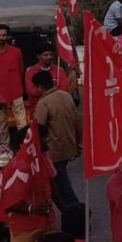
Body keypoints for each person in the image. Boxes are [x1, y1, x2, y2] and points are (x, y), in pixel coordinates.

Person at [31, 70, 80, 210]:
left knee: (61, 186)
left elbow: (38, 129)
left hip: (54, 150)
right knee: (62, 181)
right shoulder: (66, 95)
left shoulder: (43, 103)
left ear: (40, 87)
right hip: (69, 144)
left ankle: (75, 214)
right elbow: (77, 120)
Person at [0, 23, 26, 145]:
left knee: (22, 124)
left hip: (15, 92)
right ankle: (5, 148)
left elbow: (21, 71)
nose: (1, 37)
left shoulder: (16, 52)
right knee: (2, 125)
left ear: (8, 37)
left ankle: (24, 147)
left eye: (4, 35)